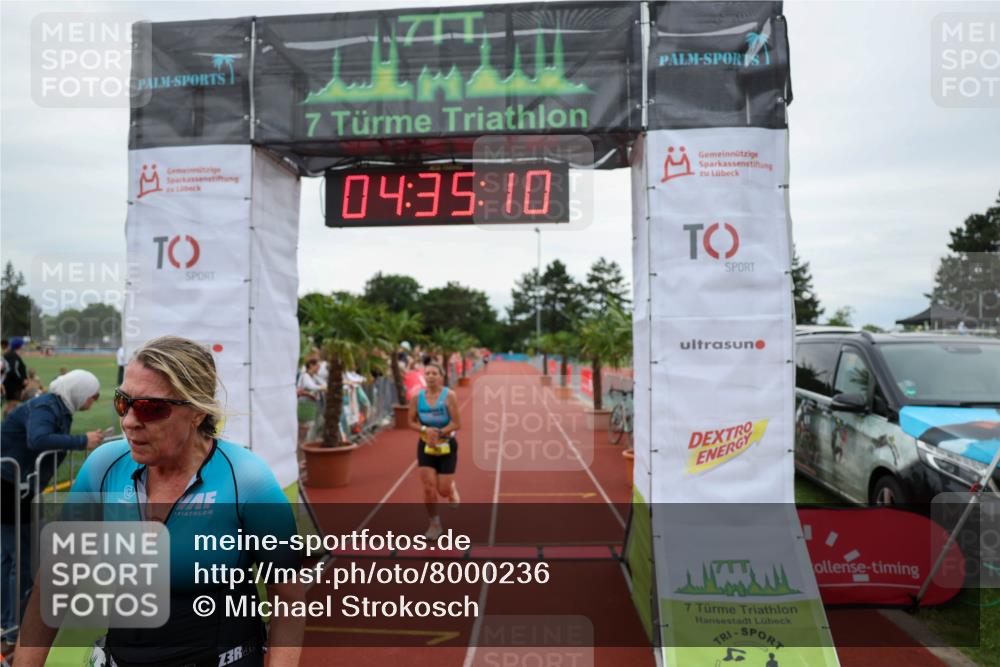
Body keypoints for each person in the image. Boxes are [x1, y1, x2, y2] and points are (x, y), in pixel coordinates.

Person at [14, 336, 303, 667]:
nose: (129, 421)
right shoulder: (104, 468)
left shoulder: (248, 481)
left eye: (151, 408)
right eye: (124, 402)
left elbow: (289, 602)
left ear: (196, 413)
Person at [1, 370, 103, 654]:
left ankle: (9, 623)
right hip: (10, 486)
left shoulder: (55, 405)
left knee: (12, 557)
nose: (93, 401)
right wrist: (82, 441)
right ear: (80, 391)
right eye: (92, 395)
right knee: (18, 558)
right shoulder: (47, 405)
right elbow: (38, 439)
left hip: (17, 485)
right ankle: (13, 628)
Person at [408, 363, 461, 540]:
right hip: (426, 446)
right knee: (428, 488)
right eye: (427, 373)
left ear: (441, 377)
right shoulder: (417, 398)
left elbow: (456, 423)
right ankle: (434, 524)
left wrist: (438, 432)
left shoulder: (449, 396)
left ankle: (451, 489)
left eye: (434, 373)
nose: (430, 376)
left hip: (446, 445)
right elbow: (411, 422)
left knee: (442, 491)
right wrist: (425, 430)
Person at [2, 337, 27, 416]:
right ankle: (6, 424)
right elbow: (13, 370)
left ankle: (5, 423)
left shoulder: (11, 355)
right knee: (13, 405)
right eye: (23, 344)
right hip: (13, 385)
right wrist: (22, 380)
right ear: (19, 345)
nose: (24, 346)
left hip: (10, 384)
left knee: (11, 405)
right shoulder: (13, 356)